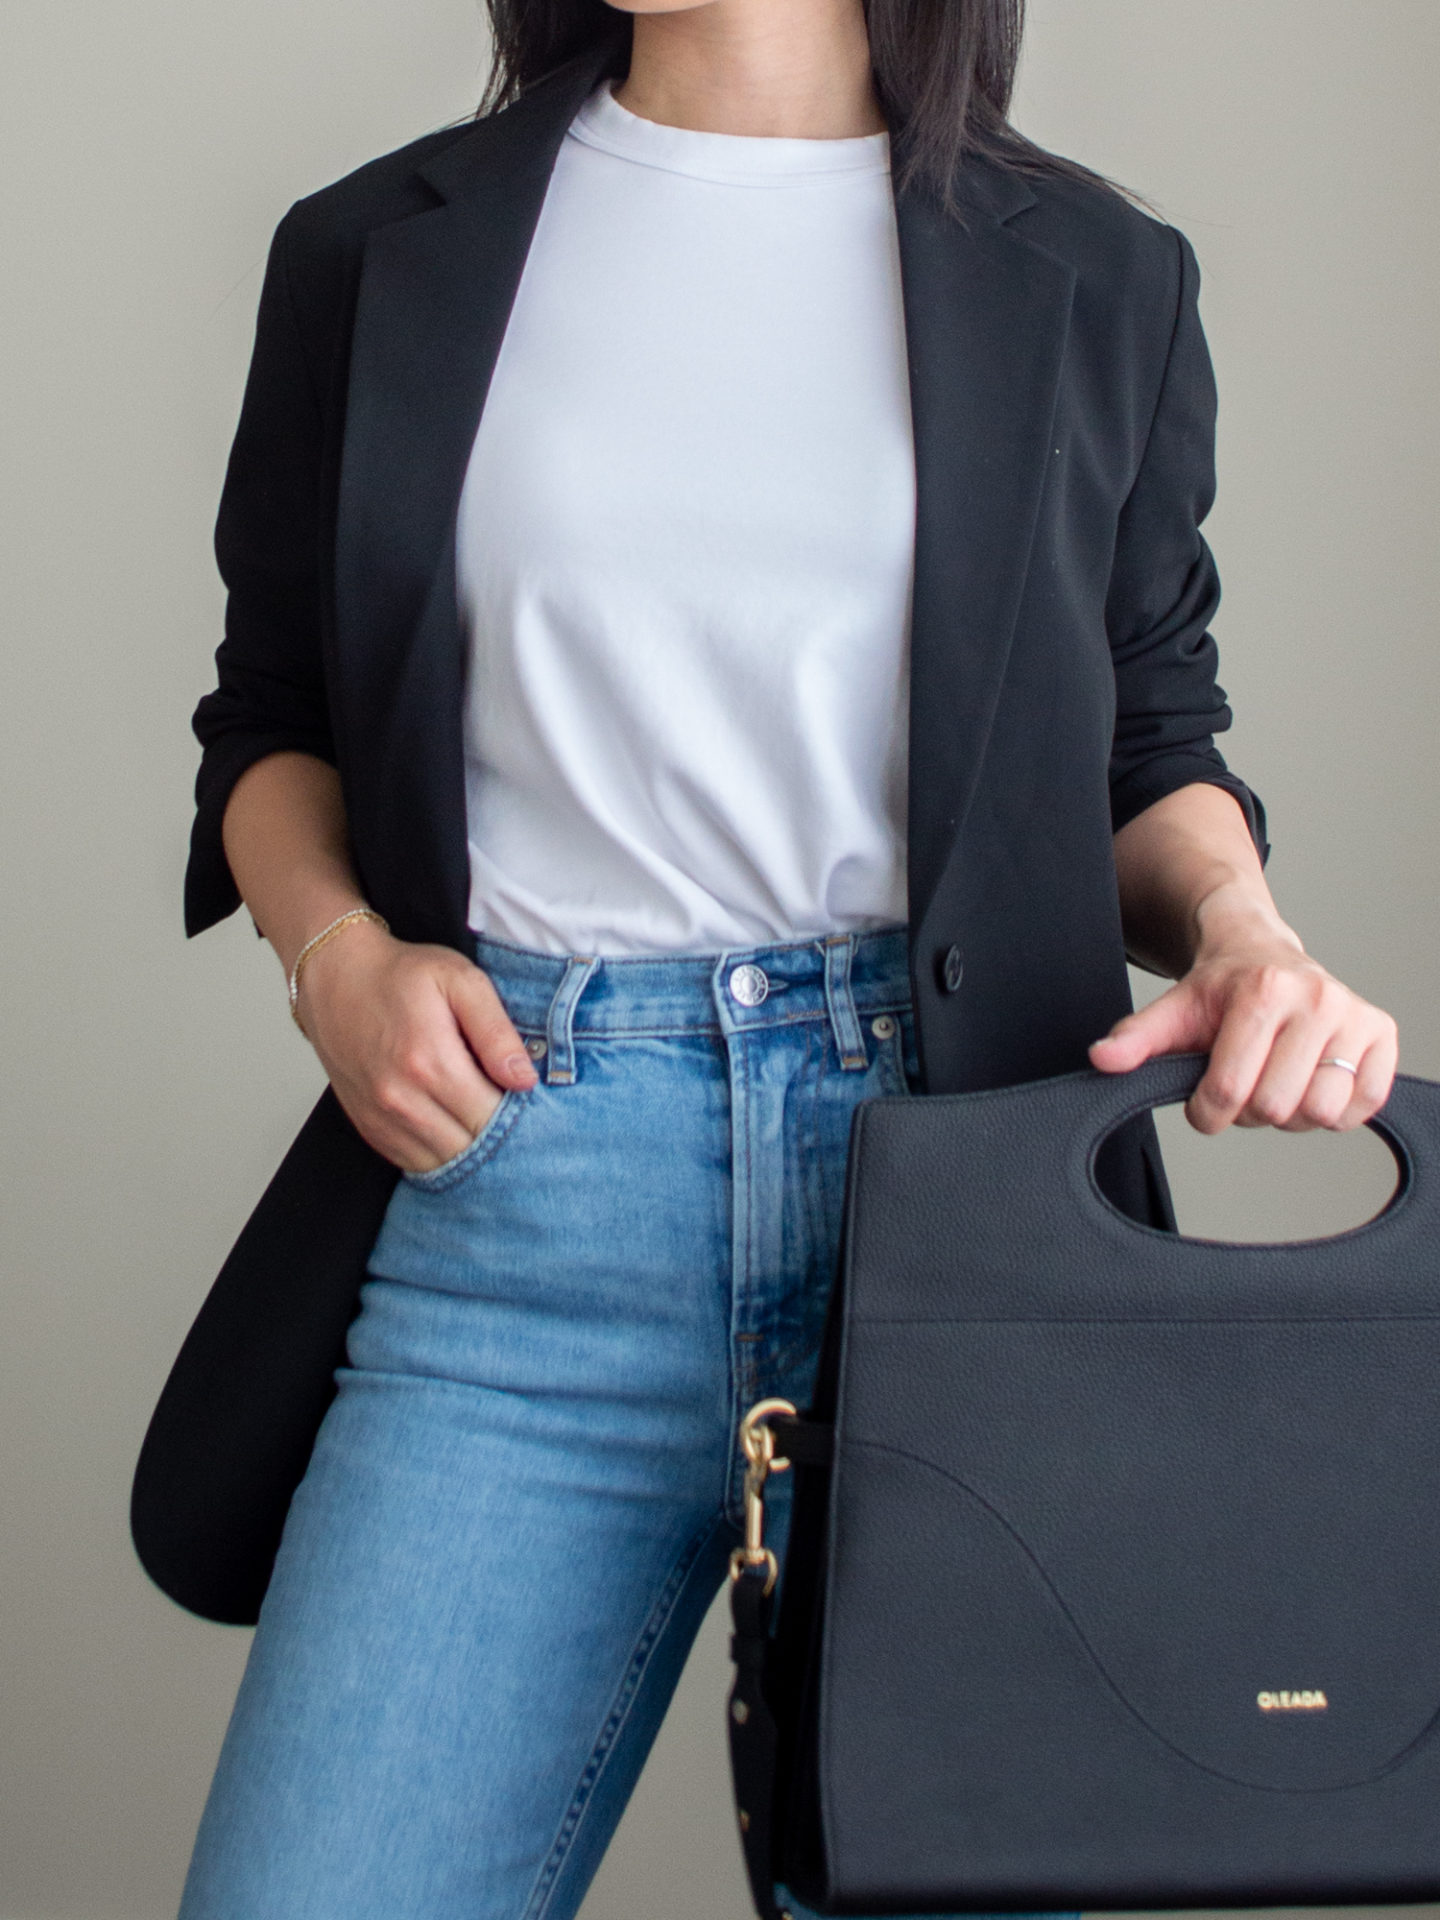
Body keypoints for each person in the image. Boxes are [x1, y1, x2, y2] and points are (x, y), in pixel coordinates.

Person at [169, 1, 1399, 1915]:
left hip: (960, 1224)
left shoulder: (1094, 275)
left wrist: (1246, 934)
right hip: (524, 1214)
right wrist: (333, 955)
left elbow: (1146, 739)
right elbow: (272, 717)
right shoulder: (372, 248)